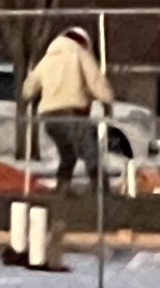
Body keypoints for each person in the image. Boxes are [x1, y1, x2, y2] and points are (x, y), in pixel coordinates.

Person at [25, 23, 112, 190]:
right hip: (71, 113)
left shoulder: (47, 59)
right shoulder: (79, 53)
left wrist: (32, 97)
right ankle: (100, 187)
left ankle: (62, 187)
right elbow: (95, 81)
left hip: (49, 117)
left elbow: (29, 87)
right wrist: (106, 100)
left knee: (68, 152)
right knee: (89, 148)